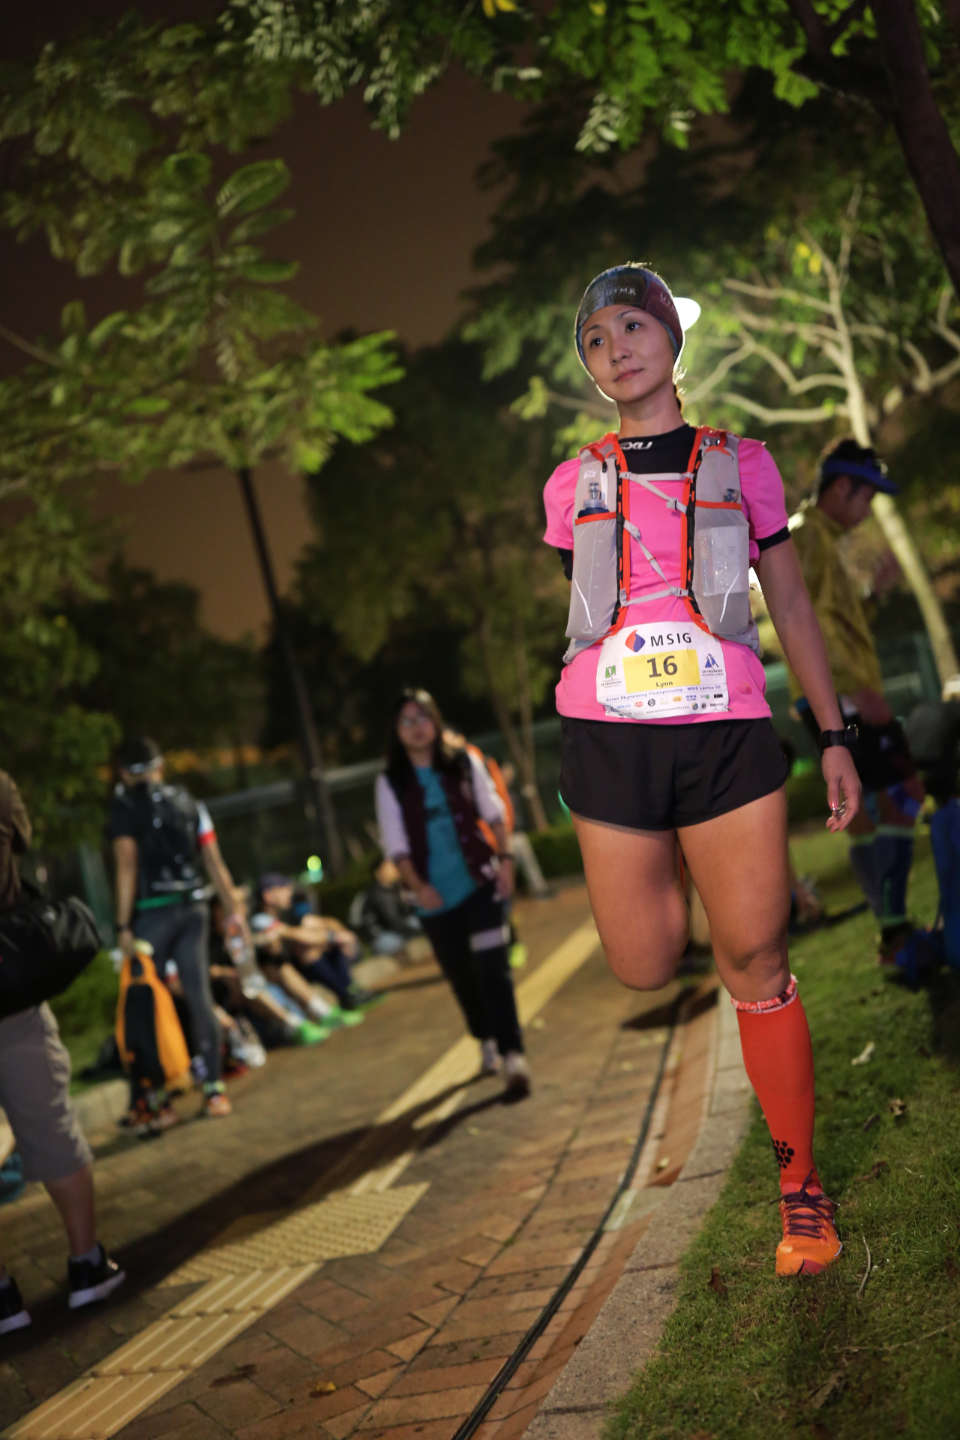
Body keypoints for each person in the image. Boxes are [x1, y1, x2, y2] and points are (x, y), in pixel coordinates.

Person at [544, 263, 861, 1275]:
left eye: (632, 326)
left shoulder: (744, 464)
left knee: (755, 957)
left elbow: (791, 607)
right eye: (596, 340)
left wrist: (835, 732)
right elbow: (590, 609)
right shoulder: (570, 485)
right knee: (644, 963)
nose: (617, 349)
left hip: (724, 731)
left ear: (672, 341)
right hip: (611, 739)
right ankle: (684, 860)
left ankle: (801, 1192)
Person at [787, 438, 923, 962]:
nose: (867, 510)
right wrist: (858, 693)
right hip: (839, 696)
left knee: (872, 811)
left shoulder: (818, 538)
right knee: (902, 793)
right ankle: (894, 931)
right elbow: (811, 625)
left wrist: (873, 595)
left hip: (833, 693)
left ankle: (893, 930)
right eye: (866, 496)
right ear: (842, 487)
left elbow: (833, 619)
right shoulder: (809, 538)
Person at [0, 770, 125, 1335]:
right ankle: (86, 1265)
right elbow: (21, 837)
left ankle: (2, 1298)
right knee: (49, 1124)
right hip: (9, 984)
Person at [375, 688, 531, 1098]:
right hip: (434, 899)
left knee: (494, 970)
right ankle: (485, 1038)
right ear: (396, 730)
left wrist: (506, 862)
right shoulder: (390, 782)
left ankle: (513, 1055)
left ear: (436, 720)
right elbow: (396, 846)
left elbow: (494, 814)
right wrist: (419, 888)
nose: (417, 727)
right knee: (463, 977)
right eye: (407, 721)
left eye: (423, 717)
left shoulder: (463, 762)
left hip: (479, 883)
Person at [107, 736, 248, 1118]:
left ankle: (157, 1099)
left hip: (152, 912)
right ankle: (215, 1090)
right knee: (199, 996)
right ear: (160, 766)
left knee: (146, 1001)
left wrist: (122, 924)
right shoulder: (189, 803)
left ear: (123, 773)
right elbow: (214, 862)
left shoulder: (124, 808)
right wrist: (234, 911)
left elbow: (126, 866)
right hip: (193, 907)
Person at [255, 874, 374, 1012]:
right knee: (309, 949)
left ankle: (351, 990)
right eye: (283, 888)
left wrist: (338, 933)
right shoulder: (261, 920)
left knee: (321, 935)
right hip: (283, 974)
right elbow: (296, 935)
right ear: (268, 895)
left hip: (299, 967)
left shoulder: (285, 912)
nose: (289, 891)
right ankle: (345, 994)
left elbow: (324, 923)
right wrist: (333, 937)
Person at [348, 857, 424, 959]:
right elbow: (393, 921)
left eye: (393, 866)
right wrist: (417, 933)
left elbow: (409, 912)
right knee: (395, 943)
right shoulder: (376, 894)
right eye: (389, 867)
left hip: (394, 929)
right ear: (378, 873)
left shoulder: (395, 888)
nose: (394, 869)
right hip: (379, 935)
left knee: (417, 921)